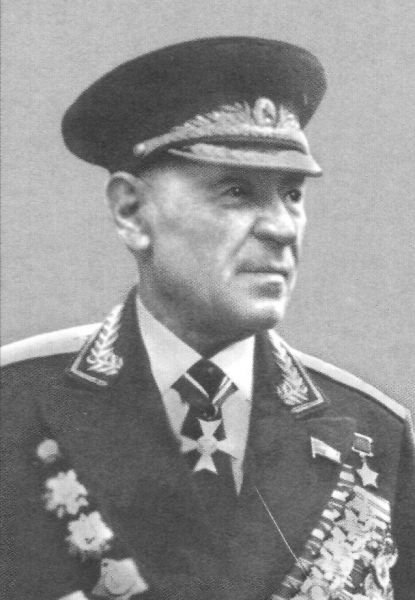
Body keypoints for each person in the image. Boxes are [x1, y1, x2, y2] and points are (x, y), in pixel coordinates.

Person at [1, 36, 414, 600]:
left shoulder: (374, 433)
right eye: (236, 191)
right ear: (131, 210)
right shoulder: (15, 405)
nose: (282, 228)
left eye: (292, 194)